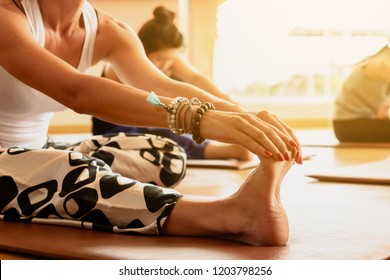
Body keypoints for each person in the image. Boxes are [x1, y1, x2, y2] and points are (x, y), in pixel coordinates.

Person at [0, 0, 302, 246]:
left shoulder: (108, 31)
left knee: (166, 155)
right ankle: (227, 215)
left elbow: (159, 86)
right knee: (70, 170)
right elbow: (77, 92)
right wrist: (201, 120)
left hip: (37, 149)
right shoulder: (5, 15)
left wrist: (243, 117)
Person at [92, 6, 250, 161]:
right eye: (160, 58)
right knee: (162, 133)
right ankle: (219, 151)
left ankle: (210, 146)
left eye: (171, 60)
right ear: (142, 51)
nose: (165, 65)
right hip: (115, 129)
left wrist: (231, 105)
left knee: (181, 125)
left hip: (147, 122)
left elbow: (196, 78)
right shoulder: (123, 64)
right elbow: (152, 100)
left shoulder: (166, 61)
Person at [333, 44, 390, 142]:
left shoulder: (378, 60)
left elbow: (381, 114)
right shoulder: (381, 62)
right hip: (349, 126)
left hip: (350, 125)